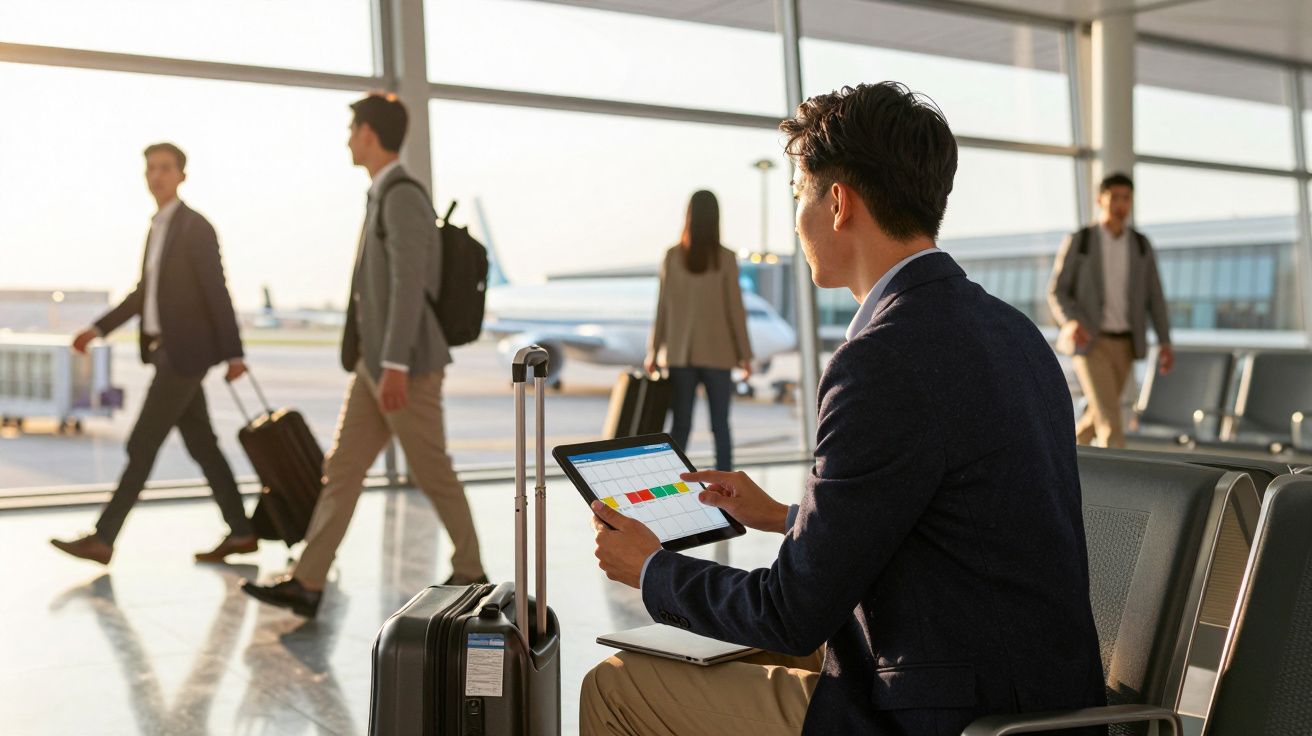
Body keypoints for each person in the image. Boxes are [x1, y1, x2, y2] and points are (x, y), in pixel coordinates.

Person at [582, 82, 1106, 735]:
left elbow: (790, 611)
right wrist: (779, 515)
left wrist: (651, 568)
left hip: (952, 713)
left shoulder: (881, 359)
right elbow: (942, 515)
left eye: (799, 196)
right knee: (722, 650)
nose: (796, 220)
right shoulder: (1012, 331)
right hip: (1038, 689)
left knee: (617, 686)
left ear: (838, 204)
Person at [241, 93, 486, 618]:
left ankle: (472, 568)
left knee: (431, 470)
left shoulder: (401, 195)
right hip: (374, 366)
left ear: (370, 133)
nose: (348, 139)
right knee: (342, 471)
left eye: (353, 129)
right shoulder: (381, 193)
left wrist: (395, 363)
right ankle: (308, 580)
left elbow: (408, 283)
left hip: (405, 366)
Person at [51, 143, 256, 565]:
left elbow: (217, 290)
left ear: (182, 175)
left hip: (184, 357)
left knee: (142, 444)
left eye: (165, 168)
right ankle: (241, 531)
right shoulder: (158, 227)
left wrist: (234, 353)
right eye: (150, 169)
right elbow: (143, 294)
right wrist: (97, 328)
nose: (156, 176)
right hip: (166, 354)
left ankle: (103, 538)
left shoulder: (195, 227)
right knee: (203, 446)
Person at [1048, 172, 1173, 448]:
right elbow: (1056, 290)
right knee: (1111, 424)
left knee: (1098, 415)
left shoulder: (1140, 245)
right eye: (1114, 197)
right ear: (1099, 200)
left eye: (1126, 198)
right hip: (1091, 343)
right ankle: (1118, 487)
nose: (1120, 204)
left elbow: (1155, 296)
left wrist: (1165, 341)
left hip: (1126, 345)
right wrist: (1071, 322)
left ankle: (1062, 458)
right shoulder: (1081, 241)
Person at [644, 190, 753, 471]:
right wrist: (745, 355)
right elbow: (735, 311)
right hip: (719, 355)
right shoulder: (725, 258)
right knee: (720, 427)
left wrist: (653, 351)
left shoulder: (672, 256)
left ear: (688, 216)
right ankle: (729, 489)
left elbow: (662, 309)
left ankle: (670, 480)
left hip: (681, 355)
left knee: (680, 426)